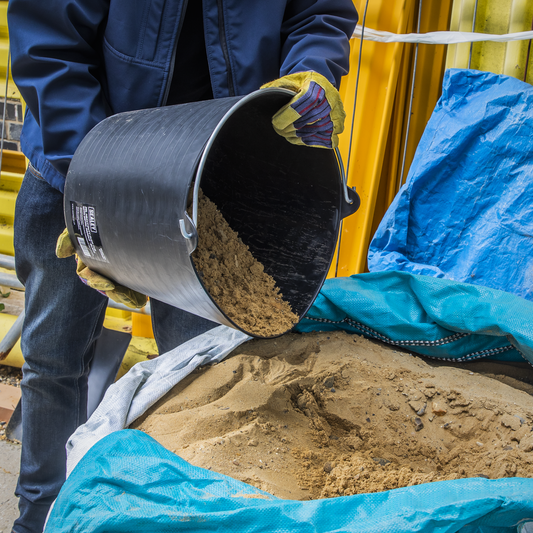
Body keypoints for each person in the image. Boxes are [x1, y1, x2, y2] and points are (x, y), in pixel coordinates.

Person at [7, 0, 358, 531]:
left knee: (199, 382)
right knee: (53, 364)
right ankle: (42, 518)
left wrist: (311, 69)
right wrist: (98, 185)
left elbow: (317, 12)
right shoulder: (84, 165)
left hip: (217, 176)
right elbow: (50, 44)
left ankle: (169, 520)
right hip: (75, 158)